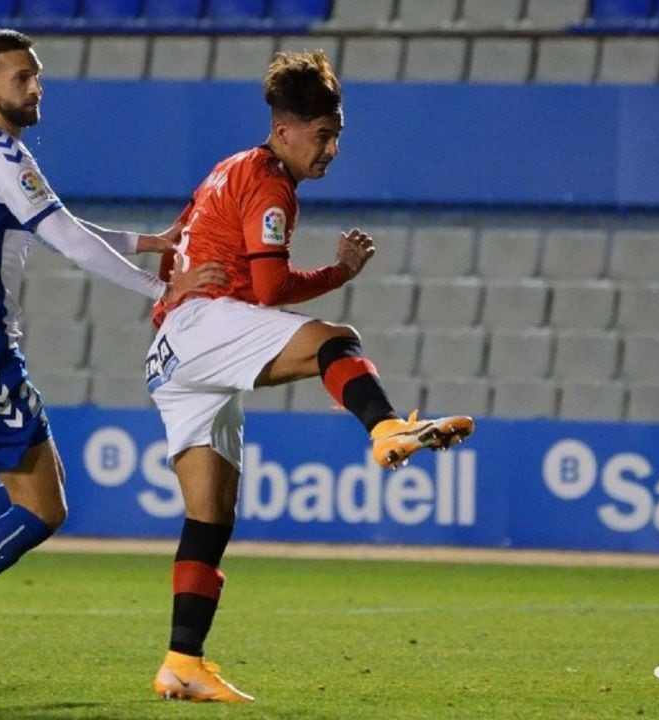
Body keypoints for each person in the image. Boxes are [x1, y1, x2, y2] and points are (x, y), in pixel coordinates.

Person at [0, 29, 224, 694]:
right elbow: (66, 240)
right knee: (42, 511)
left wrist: (149, 242)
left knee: (24, 491)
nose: (35, 87)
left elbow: (59, 227)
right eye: (21, 77)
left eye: (37, 75)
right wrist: (163, 288)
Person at [144, 50, 475, 703]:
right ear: (285, 129)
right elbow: (268, 290)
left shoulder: (227, 168)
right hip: (205, 326)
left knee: (210, 513)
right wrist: (338, 275)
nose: (330, 151)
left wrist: (178, 291)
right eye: (322, 137)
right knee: (337, 340)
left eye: (337, 138)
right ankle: (386, 429)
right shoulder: (270, 183)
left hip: (170, 350)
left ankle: (182, 662)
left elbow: (171, 249)